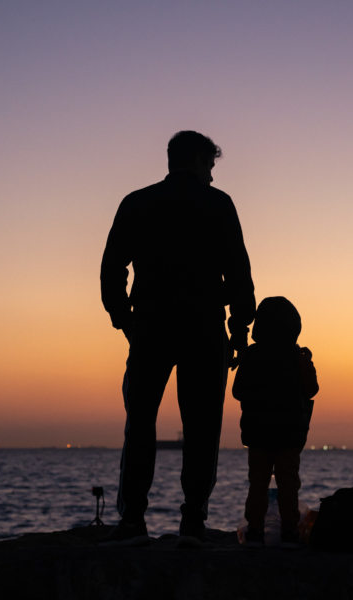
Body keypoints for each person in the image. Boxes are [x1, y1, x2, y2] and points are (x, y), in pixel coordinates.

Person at [100, 130, 256, 544]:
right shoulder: (218, 204)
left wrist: (124, 319)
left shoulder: (137, 202)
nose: (211, 177)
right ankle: (193, 522)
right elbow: (238, 271)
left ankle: (132, 519)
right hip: (203, 326)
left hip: (150, 326)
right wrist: (240, 327)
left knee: (140, 424)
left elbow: (112, 267)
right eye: (210, 167)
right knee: (203, 427)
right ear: (199, 162)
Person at [232, 296, 319, 546]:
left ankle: (256, 531)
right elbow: (311, 390)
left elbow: (238, 391)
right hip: (290, 434)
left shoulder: (251, 355)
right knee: (288, 483)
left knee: (258, 483)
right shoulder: (297, 356)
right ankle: (290, 530)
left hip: (258, 433)